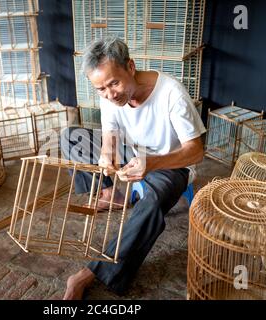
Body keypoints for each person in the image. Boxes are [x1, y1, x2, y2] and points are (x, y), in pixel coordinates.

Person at [60, 37, 206, 300]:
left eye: (114, 83)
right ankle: (110, 195)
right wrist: (107, 156)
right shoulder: (110, 95)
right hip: (134, 152)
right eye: (101, 89)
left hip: (172, 163)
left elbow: (196, 151)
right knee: (70, 136)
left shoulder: (172, 93)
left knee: (151, 204)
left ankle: (89, 274)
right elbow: (110, 136)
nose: (110, 94)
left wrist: (153, 164)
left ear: (130, 66)